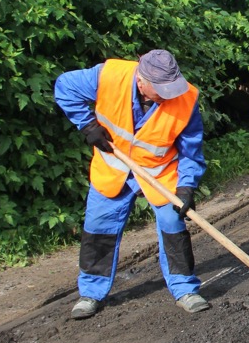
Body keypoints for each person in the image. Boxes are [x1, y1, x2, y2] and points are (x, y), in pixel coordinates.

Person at [54, 49, 209, 319]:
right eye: (161, 90)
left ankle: (185, 289)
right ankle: (90, 293)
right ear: (141, 81)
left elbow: (191, 150)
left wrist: (186, 186)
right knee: (98, 226)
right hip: (113, 168)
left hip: (159, 172)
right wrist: (87, 125)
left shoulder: (186, 98)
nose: (169, 95)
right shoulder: (108, 76)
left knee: (173, 224)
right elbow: (65, 86)